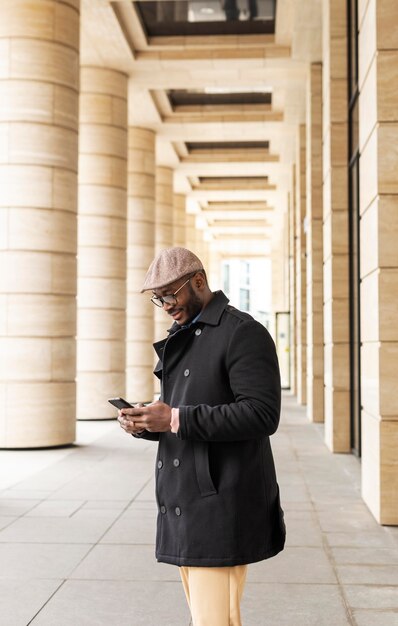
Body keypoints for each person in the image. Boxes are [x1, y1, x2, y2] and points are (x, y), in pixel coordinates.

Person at [118, 247, 285, 626]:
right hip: (186, 500)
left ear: (198, 282)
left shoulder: (243, 333)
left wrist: (175, 417)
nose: (165, 305)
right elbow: (179, 411)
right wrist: (146, 422)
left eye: (171, 294)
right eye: (157, 299)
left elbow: (262, 414)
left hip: (222, 503)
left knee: (214, 621)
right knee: (208, 619)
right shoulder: (184, 336)